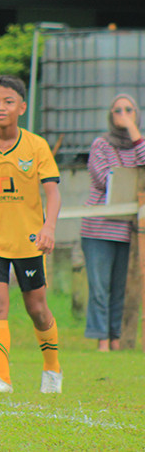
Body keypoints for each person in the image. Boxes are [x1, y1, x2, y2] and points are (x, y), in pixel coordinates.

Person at [0, 75, 63, 394]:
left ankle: (52, 368)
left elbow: (53, 193)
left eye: (7, 101)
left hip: (28, 241)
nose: (0, 107)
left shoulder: (36, 146)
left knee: (37, 309)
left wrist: (49, 227)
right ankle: (1, 378)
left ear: (22, 106)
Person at [81, 93, 145, 352]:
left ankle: (116, 338)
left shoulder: (138, 144)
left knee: (119, 288)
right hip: (98, 227)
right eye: (117, 110)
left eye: (128, 109)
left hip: (126, 229)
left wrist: (133, 130)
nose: (122, 114)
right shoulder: (101, 144)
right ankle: (102, 340)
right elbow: (103, 179)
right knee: (100, 287)